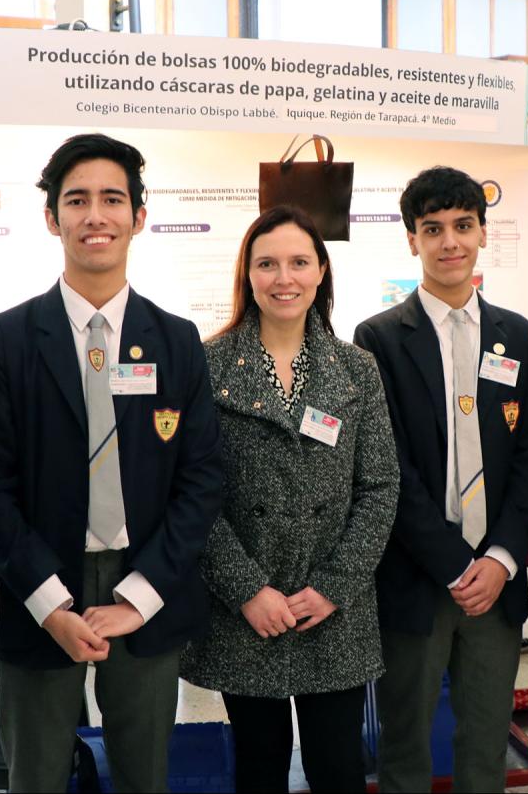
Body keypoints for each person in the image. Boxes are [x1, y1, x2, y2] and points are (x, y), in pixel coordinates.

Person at [0, 133, 224, 792]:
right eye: (76, 200)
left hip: (146, 584)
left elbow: (200, 480)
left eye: (113, 199)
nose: (95, 215)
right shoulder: (6, 340)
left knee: (145, 774)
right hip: (37, 587)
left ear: (139, 216)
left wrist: (138, 598)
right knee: (36, 776)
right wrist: (50, 603)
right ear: (52, 218)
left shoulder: (176, 340)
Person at [179, 205, 399, 793]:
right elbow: (194, 493)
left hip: (334, 607)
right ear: (247, 275)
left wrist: (332, 587)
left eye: (300, 262)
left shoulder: (356, 369)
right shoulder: (207, 364)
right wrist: (247, 590)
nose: (285, 278)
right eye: (268, 263)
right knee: (259, 765)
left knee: (339, 768)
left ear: (321, 271)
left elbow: (379, 487)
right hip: (246, 609)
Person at [354, 166, 528, 793]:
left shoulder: (516, 335)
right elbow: (388, 467)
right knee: (406, 746)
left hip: (495, 583)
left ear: (482, 232)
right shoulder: (379, 339)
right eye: (432, 229)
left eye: (463, 226)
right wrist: (453, 563)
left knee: (486, 741)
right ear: (412, 239)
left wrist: (499, 558)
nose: (449, 243)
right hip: (418, 574)